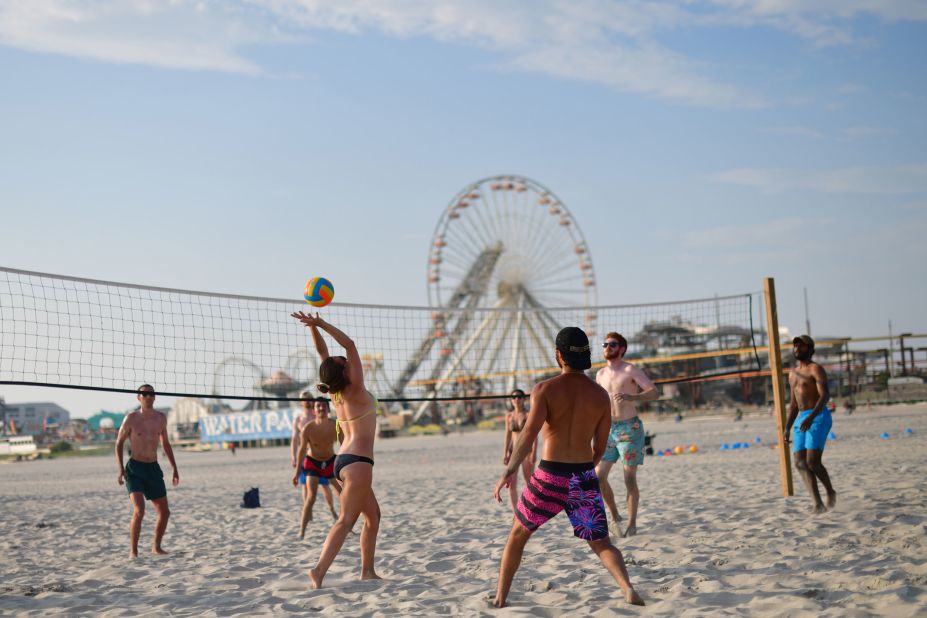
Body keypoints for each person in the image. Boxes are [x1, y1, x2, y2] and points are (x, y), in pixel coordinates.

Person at [492, 327, 644, 608]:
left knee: (518, 534)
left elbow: (527, 436)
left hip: (549, 475)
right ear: (585, 356)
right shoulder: (600, 395)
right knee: (601, 543)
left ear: (559, 355)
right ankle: (627, 588)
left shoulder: (545, 389)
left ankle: (501, 598)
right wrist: (585, 471)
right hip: (583, 476)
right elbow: (600, 448)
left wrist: (508, 471)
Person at [290, 311, 381, 588]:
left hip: (342, 461)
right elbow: (349, 345)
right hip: (358, 463)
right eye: (345, 363)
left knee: (373, 517)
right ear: (345, 370)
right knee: (345, 521)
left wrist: (313, 328)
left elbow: (324, 355)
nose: (348, 361)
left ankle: (367, 571)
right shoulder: (354, 388)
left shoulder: (335, 391)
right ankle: (318, 571)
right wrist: (321, 324)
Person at [594, 332, 659, 538]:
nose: (607, 347)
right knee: (598, 477)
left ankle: (632, 524)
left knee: (629, 479)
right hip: (608, 430)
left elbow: (654, 392)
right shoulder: (600, 374)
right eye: (605, 344)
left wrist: (632, 396)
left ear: (621, 348)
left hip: (629, 430)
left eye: (612, 344)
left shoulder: (630, 369)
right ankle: (615, 517)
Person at [115, 384, 179, 558]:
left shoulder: (161, 418)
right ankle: (133, 551)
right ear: (138, 397)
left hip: (153, 468)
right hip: (135, 468)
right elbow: (119, 443)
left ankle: (156, 547)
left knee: (164, 512)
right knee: (139, 510)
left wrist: (174, 467)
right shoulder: (131, 418)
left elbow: (165, 444)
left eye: (151, 394)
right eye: (144, 394)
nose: (148, 396)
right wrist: (120, 469)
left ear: (154, 397)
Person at [784, 335, 837, 514]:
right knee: (799, 463)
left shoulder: (816, 369)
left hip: (818, 414)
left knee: (813, 462)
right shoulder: (792, 374)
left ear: (810, 348)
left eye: (801, 345)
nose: (797, 347)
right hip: (801, 418)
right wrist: (787, 428)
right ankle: (818, 503)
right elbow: (793, 405)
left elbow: (825, 396)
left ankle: (830, 491)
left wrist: (811, 416)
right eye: (795, 345)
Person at [292, 397, 340, 539]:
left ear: (328, 408)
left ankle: (346, 526)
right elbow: (301, 450)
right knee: (311, 497)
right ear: (314, 410)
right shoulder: (308, 428)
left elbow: (345, 444)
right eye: (318, 406)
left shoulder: (335, 425)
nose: (321, 408)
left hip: (330, 461)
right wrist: (297, 473)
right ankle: (302, 531)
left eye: (324, 406)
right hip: (313, 462)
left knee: (343, 495)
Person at [501, 388, 537, 512]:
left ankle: (530, 509)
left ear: (524, 399)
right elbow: (507, 435)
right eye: (514, 397)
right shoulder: (509, 416)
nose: (517, 399)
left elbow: (534, 434)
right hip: (513, 452)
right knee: (511, 483)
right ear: (511, 400)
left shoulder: (528, 414)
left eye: (519, 397)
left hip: (526, 450)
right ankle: (516, 513)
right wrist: (505, 453)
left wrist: (534, 452)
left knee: (529, 482)